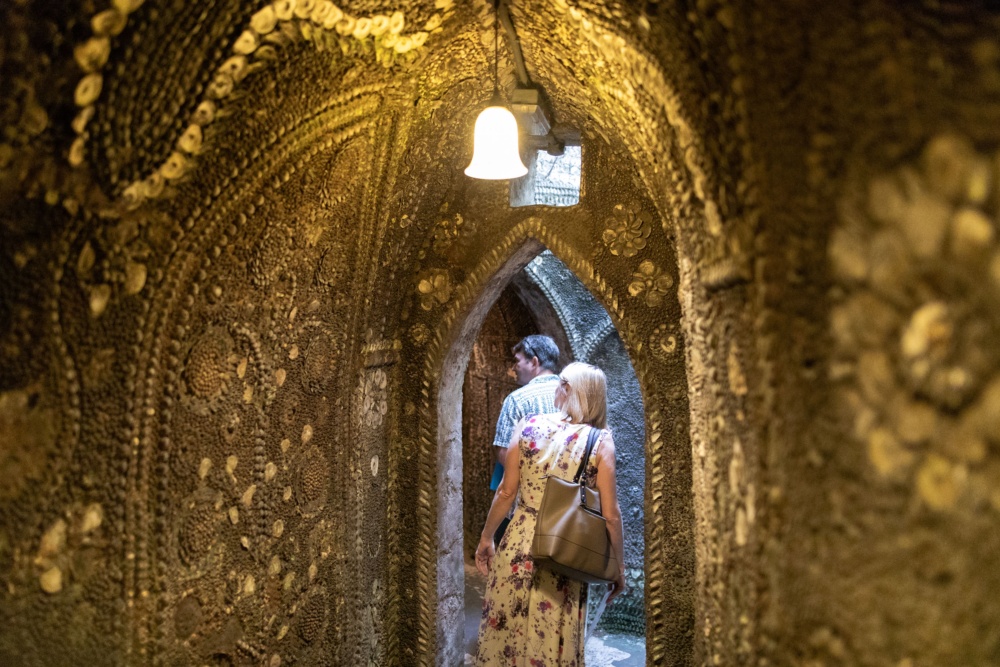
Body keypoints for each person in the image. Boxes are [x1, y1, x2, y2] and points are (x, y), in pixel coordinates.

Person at [475, 362, 627, 666]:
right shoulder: (600, 442)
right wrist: (618, 569)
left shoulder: (528, 426)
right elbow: (611, 516)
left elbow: (506, 492)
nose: (556, 388)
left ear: (568, 390)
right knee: (550, 638)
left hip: (519, 542)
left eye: (560, 383)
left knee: (506, 634)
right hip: (563, 550)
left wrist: (486, 539)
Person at [489, 335, 561, 542]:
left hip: (525, 505)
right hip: (567, 505)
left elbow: (504, 452)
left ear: (534, 362)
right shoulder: (573, 394)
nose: (514, 367)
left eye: (518, 361)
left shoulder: (518, 399)